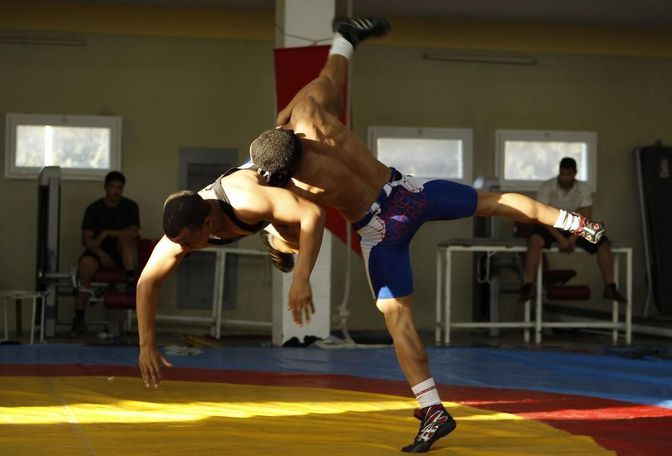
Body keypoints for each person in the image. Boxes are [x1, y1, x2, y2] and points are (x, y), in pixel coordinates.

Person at [249, 17, 606, 453]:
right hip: (407, 193)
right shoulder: (307, 110)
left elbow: (307, 225)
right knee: (492, 201)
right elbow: (330, 77)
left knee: (397, 319)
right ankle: (578, 224)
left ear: (280, 169)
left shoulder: (292, 187)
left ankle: (433, 408)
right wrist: (343, 42)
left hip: (379, 230)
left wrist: (294, 266)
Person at [136, 161, 325, 389]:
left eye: (186, 242)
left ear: (208, 223)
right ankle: (272, 229)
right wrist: (146, 345)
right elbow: (146, 284)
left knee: (299, 241)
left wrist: (301, 277)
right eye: (178, 243)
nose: (182, 248)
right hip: (260, 212)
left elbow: (313, 213)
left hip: (273, 184)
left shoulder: (245, 200)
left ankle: (274, 235)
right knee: (294, 236)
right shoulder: (181, 237)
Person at [518, 157, 626, 303]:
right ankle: (529, 286)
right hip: (551, 223)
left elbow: (586, 216)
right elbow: (542, 216)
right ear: (559, 172)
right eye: (562, 174)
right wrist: (561, 239)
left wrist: (572, 239)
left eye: (568, 174)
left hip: (575, 223)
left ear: (574, 173)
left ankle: (610, 287)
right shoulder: (546, 187)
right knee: (534, 241)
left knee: (603, 242)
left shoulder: (583, 188)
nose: (565, 177)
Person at [71, 170, 140, 338]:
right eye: (112, 187)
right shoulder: (94, 209)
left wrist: (108, 233)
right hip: (98, 251)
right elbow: (86, 240)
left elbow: (132, 232)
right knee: (85, 266)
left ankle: (131, 283)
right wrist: (101, 255)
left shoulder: (130, 206)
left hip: (122, 253)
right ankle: (79, 318)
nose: (116, 191)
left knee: (125, 242)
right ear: (105, 187)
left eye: (119, 188)